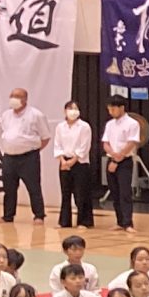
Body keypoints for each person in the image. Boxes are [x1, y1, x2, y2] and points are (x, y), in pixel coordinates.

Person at [2, 87, 53, 222]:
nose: (13, 99)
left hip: (28, 157)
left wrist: (33, 150)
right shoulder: (6, 115)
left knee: (33, 187)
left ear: (25, 99)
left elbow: (45, 137)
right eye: (12, 96)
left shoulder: (36, 115)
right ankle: (8, 215)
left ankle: (39, 215)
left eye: (17, 96)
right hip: (9, 156)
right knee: (9, 188)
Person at [51, 96, 93, 229]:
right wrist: (62, 160)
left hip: (80, 163)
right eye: (70, 108)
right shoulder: (60, 127)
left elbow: (84, 146)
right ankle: (64, 221)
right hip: (64, 161)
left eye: (76, 109)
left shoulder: (84, 126)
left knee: (81, 193)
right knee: (65, 193)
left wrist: (73, 161)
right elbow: (57, 144)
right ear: (65, 111)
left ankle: (84, 221)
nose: (73, 111)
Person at [101, 95, 141, 229]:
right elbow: (105, 143)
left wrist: (118, 157)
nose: (111, 112)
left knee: (125, 192)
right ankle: (120, 221)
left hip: (125, 161)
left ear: (121, 108)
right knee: (115, 192)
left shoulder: (132, 123)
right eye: (109, 109)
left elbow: (132, 142)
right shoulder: (109, 124)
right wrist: (113, 155)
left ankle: (128, 222)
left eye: (113, 109)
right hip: (111, 159)